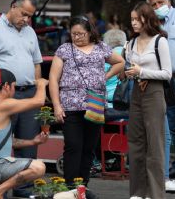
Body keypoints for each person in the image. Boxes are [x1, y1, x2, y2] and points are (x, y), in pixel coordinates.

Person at [0, 0, 43, 197]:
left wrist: (36, 88)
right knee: (1, 144)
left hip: (29, 92)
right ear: (13, 6)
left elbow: (37, 64)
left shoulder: (30, 32)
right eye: (24, 14)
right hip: (5, 94)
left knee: (29, 142)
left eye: (30, 16)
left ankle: (24, 192)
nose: (26, 19)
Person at [49, 16, 124, 189]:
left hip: (95, 104)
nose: (77, 37)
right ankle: (69, 187)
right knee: (73, 146)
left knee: (89, 147)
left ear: (90, 33)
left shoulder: (101, 48)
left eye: (81, 34)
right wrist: (57, 105)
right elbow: (53, 78)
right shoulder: (64, 49)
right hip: (70, 105)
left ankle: (83, 186)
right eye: (74, 34)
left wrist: (104, 77)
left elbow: (120, 62)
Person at [0, 68, 48, 199]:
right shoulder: (2, 104)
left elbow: (9, 142)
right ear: (6, 86)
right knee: (39, 167)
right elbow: (39, 101)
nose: (14, 90)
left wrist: (33, 142)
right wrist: (41, 84)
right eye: (14, 86)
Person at [124, 1, 171, 199]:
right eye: (132, 19)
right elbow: (129, 66)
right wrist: (129, 72)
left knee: (155, 144)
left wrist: (141, 71)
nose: (134, 23)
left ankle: (154, 193)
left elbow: (167, 73)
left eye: (138, 19)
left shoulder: (160, 41)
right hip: (137, 91)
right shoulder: (132, 42)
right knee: (135, 143)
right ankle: (138, 192)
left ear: (147, 18)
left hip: (154, 92)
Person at [147, 0, 175, 187]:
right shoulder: (152, 24)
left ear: (168, 1)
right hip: (166, 81)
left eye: (160, 2)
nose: (158, 7)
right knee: (173, 126)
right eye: (153, 5)